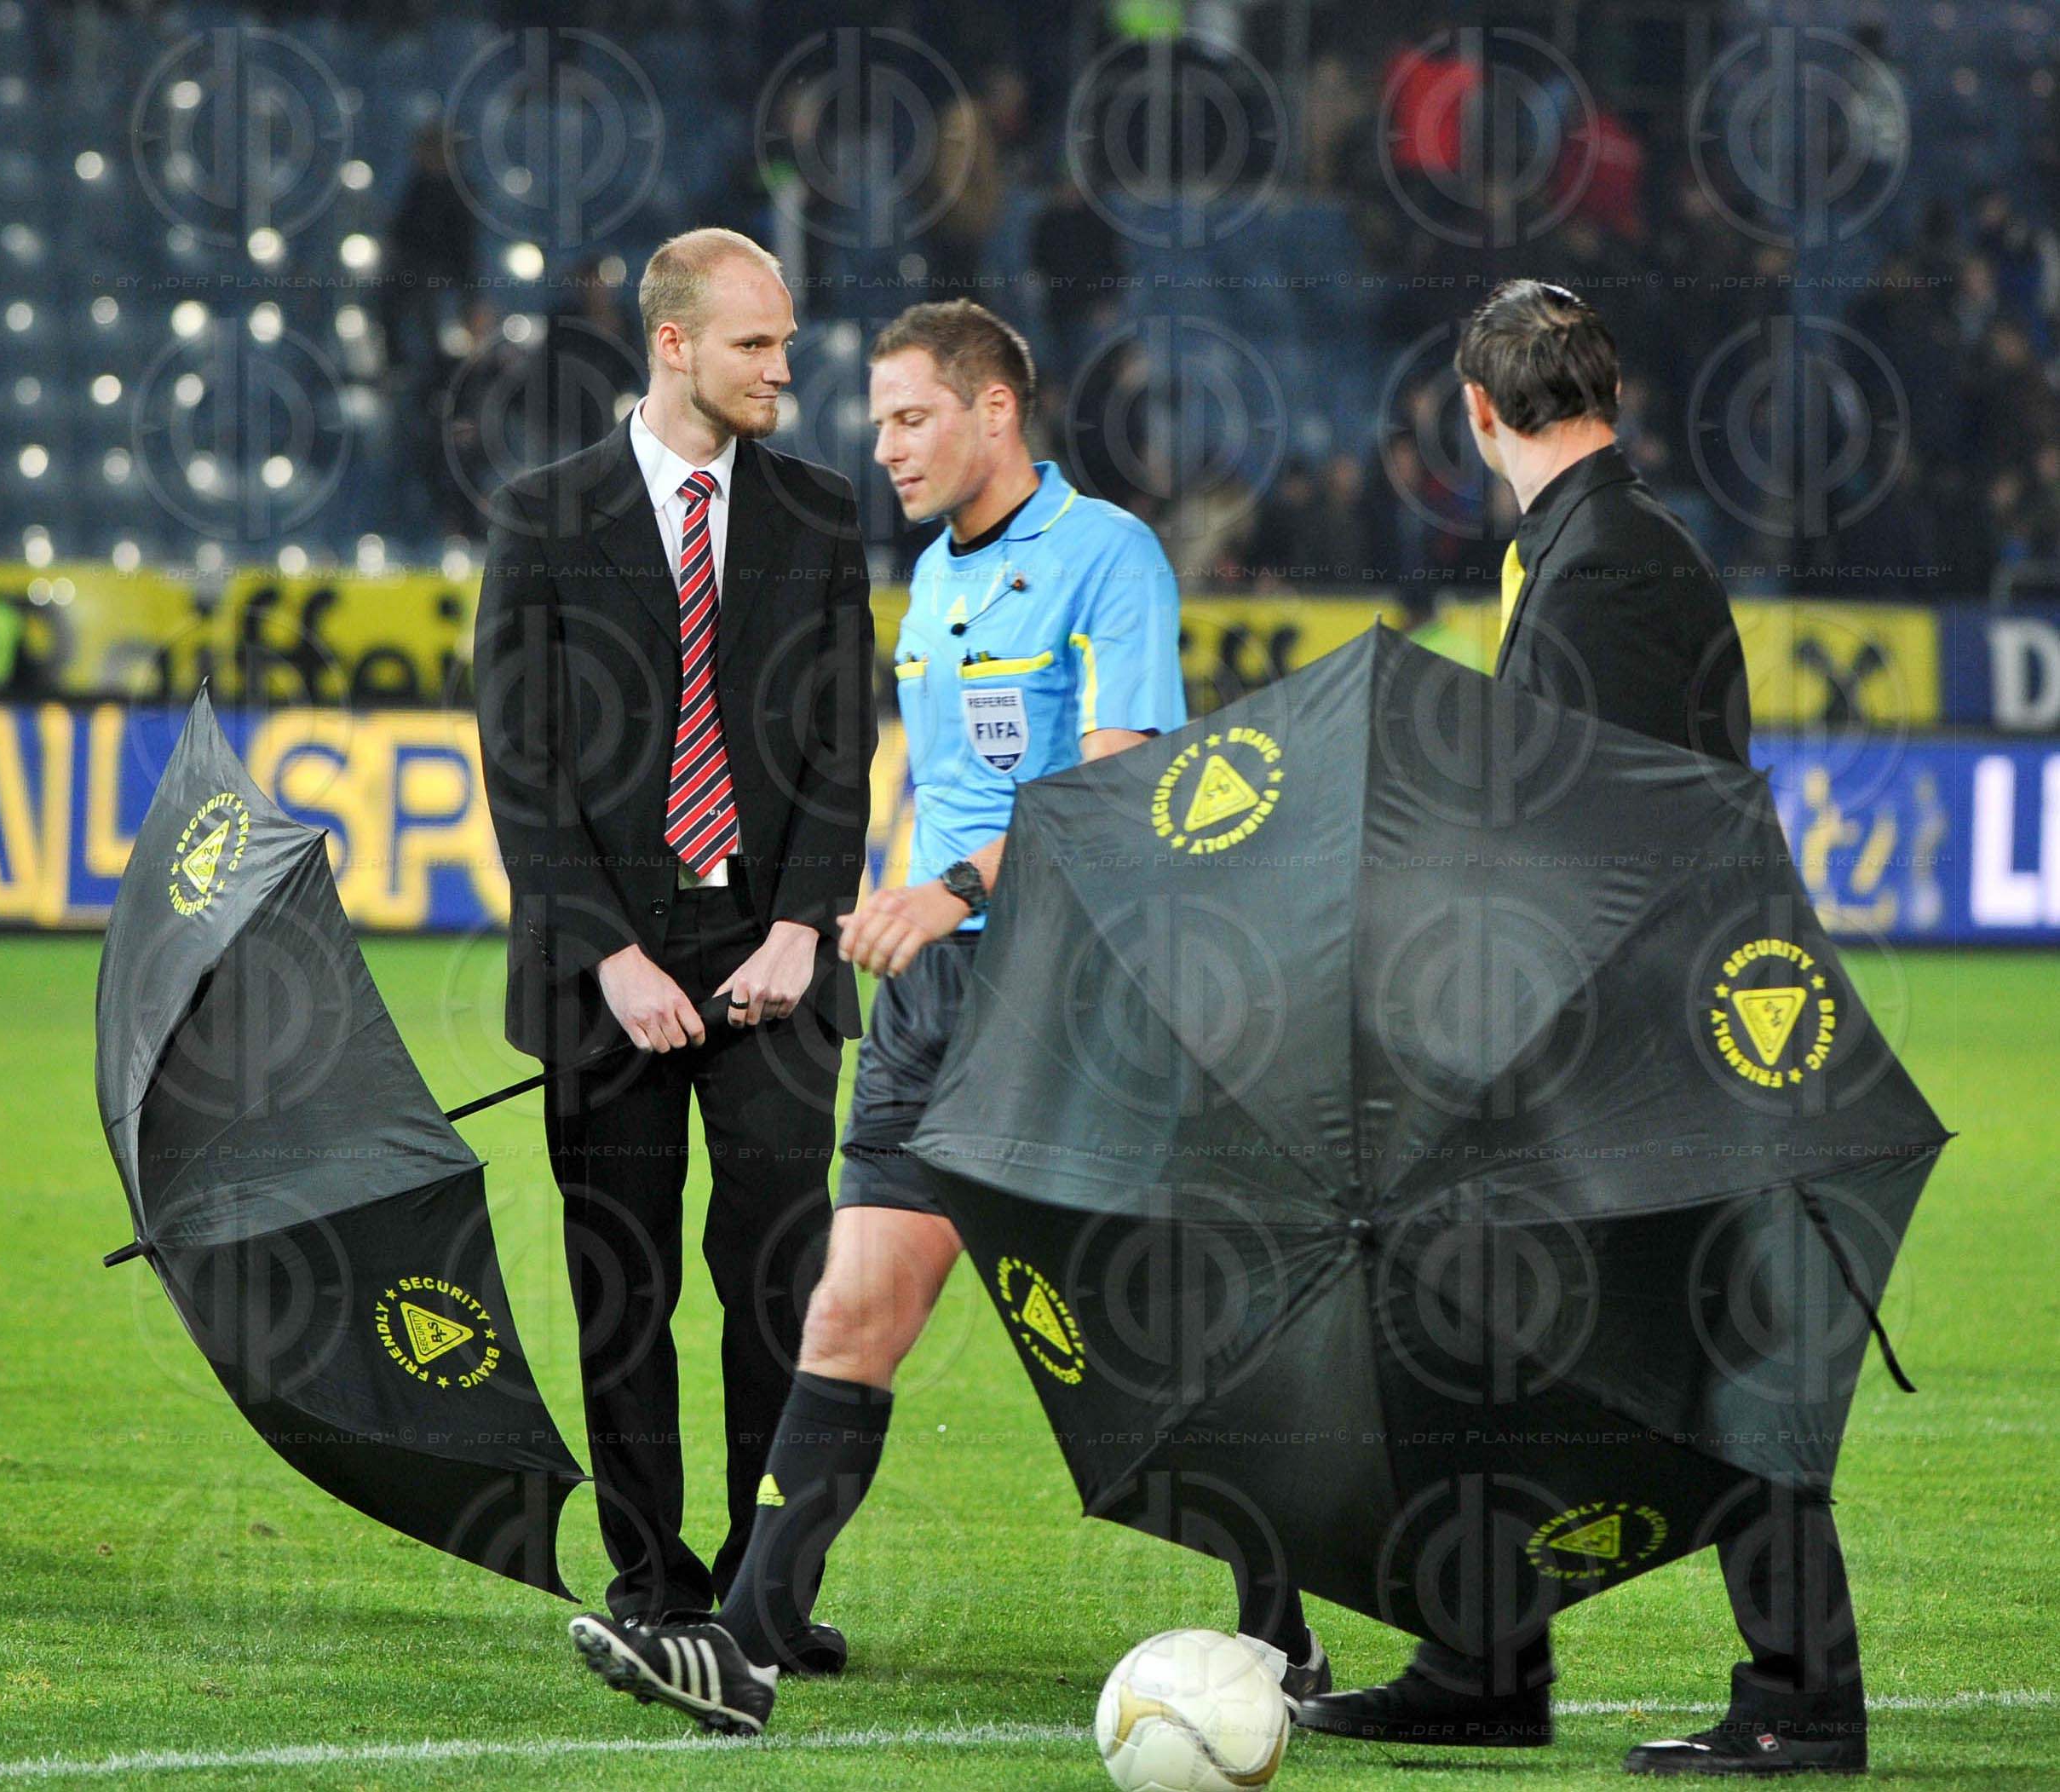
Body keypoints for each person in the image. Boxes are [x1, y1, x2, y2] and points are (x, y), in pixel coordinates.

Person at [567, 299, 1329, 1732]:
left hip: (1070, 999)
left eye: (911, 416)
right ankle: (746, 1649)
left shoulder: (1106, 555)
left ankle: (1282, 1633)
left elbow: (1122, 799)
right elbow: (954, 793)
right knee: (852, 1308)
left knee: (1150, 1342)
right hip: (934, 1006)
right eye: (878, 423)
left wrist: (954, 889)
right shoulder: (928, 578)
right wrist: (891, 906)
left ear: (994, 411)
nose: (887, 447)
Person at [1296, 280, 1867, 1778]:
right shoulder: (1599, 544)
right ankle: (1486, 1664)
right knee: (1493, 1332)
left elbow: (1580, 832)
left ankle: (1792, 1696)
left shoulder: (1601, 565)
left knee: (1694, 1357)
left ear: (1476, 410)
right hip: (1633, 1033)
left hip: (1636, 1047)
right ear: (1604, 391)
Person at [473, 228, 875, 1662]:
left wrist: (800, 925)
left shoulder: (820, 512)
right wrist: (608, 954)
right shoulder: (543, 515)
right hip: (606, 975)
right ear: (672, 344)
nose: (782, 369)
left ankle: (765, 1590)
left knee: (777, 1287)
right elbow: (520, 766)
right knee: (622, 1291)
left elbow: (842, 744)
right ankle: (654, 1583)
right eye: (755, 344)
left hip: (773, 967)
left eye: (785, 342)